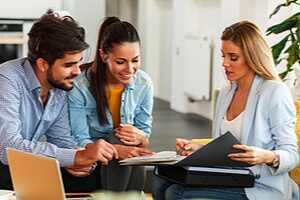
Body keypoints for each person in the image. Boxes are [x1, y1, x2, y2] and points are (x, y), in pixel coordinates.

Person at [152, 20, 299, 200]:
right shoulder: (226, 93)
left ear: (252, 56)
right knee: (161, 181)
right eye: (223, 56)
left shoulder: (274, 92)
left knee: (177, 193)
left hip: (260, 185)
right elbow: (228, 145)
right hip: (231, 177)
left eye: (233, 57)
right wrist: (200, 149)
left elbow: (291, 155)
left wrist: (265, 156)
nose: (225, 63)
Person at [0, 13, 118, 192]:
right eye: (68, 65)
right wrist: (75, 157)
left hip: (19, 164)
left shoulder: (59, 88)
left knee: (88, 176)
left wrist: (82, 161)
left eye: (78, 63)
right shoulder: (7, 78)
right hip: (4, 162)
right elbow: (9, 148)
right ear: (43, 64)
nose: (77, 71)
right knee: (13, 170)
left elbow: (63, 141)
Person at [68, 16, 154, 192]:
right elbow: (79, 139)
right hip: (93, 158)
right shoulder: (80, 85)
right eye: (121, 62)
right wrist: (115, 149)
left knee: (129, 141)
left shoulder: (144, 84)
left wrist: (141, 138)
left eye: (135, 60)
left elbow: (144, 136)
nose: (130, 69)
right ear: (103, 55)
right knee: (119, 139)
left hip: (125, 162)